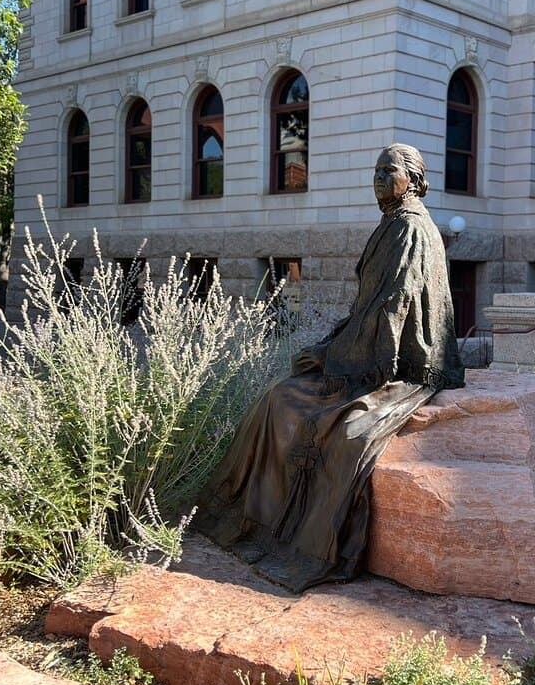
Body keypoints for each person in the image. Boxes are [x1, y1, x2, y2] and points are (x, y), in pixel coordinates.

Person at [195, 143, 464, 591]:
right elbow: (366, 308)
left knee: (342, 429)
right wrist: (330, 343)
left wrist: (334, 356)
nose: (378, 178)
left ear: (414, 181)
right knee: (278, 397)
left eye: (389, 171)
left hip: (401, 363)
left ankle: (299, 541)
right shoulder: (392, 224)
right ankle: (252, 518)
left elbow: (391, 309)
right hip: (368, 348)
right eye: (376, 170)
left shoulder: (412, 230)